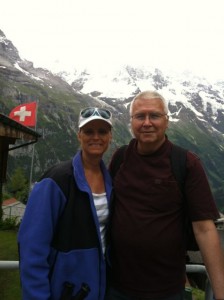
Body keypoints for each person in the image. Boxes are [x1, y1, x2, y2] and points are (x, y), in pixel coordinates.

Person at [106, 91, 224, 300]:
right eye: (140, 116)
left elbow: (205, 229)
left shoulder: (186, 163)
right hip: (117, 287)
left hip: (167, 290)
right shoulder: (120, 158)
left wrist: (220, 292)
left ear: (167, 121)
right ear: (131, 121)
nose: (147, 123)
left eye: (155, 116)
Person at [18, 107, 113, 300]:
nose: (96, 137)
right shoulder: (56, 180)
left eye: (102, 131)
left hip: (99, 290)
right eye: (88, 131)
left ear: (110, 136)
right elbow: (32, 247)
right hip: (67, 292)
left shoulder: (110, 180)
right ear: (79, 135)